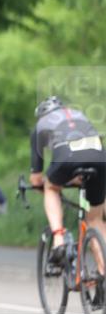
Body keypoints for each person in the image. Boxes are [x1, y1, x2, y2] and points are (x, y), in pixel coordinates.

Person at [29, 96, 106, 273]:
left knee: (51, 188)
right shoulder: (79, 115)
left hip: (67, 156)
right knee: (95, 220)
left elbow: (35, 178)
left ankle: (58, 239)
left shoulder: (40, 125)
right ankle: (103, 274)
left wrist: (43, 185)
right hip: (100, 157)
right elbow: (86, 151)